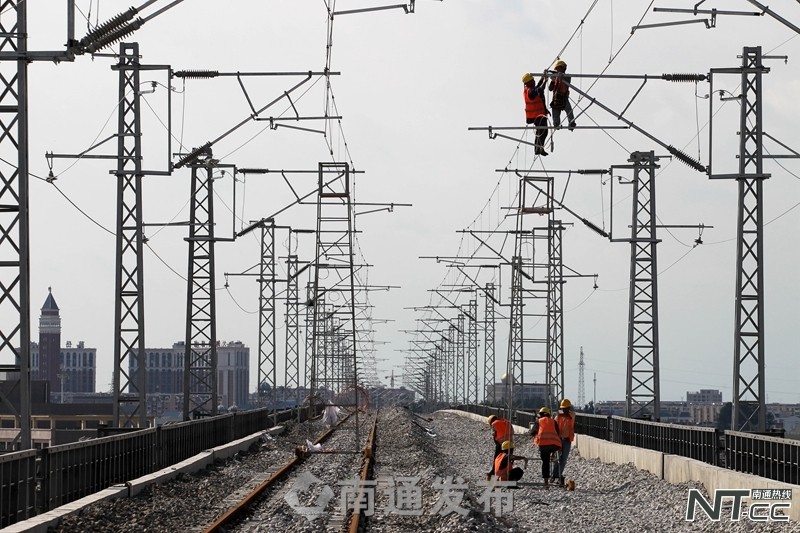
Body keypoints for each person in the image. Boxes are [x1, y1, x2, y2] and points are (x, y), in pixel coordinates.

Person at [532, 406, 561, 488]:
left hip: (544, 445)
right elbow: (558, 432)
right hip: (554, 445)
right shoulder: (553, 422)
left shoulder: (539, 421)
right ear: (549, 414)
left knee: (545, 463)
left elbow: (533, 432)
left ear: (540, 415)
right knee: (555, 458)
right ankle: (553, 454)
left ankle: (546, 483)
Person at [522, 72, 550, 156]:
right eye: (532, 80)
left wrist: (542, 78)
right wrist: (545, 81)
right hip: (537, 115)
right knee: (542, 132)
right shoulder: (530, 91)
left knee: (541, 131)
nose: (534, 81)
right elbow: (539, 90)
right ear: (528, 82)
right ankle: (539, 148)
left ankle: (538, 148)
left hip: (538, 114)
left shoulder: (529, 89)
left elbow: (537, 87)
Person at [551, 398, 576, 486]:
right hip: (558, 439)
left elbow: (569, 416)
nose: (565, 410)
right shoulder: (558, 417)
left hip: (567, 440)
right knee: (557, 458)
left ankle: (558, 475)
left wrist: (560, 413)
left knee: (563, 459)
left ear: (569, 408)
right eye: (563, 408)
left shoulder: (572, 414)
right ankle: (554, 475)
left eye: (566, 408)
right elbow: (554, 423)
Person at [548, 60, 576, 131]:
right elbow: (550, 88)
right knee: (555, 111)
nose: (557, 70)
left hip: (564, 98)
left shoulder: (567, 77)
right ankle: (556, 123)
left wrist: (558, 77)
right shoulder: (555, 78)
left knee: (569, 109)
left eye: (558, 68)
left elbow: (566, 80)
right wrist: (553, 79)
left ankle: (571, 122)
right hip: (556, 98)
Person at [486, 414, 513, 478]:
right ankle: (508, 474)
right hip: (510, 444)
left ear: (491, 421)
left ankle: (493, 472)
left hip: (500, 444)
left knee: (497, 458)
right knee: (509, 459)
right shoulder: (507, 422)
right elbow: (512, 432)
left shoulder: (494, 424)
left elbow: (494, 434)